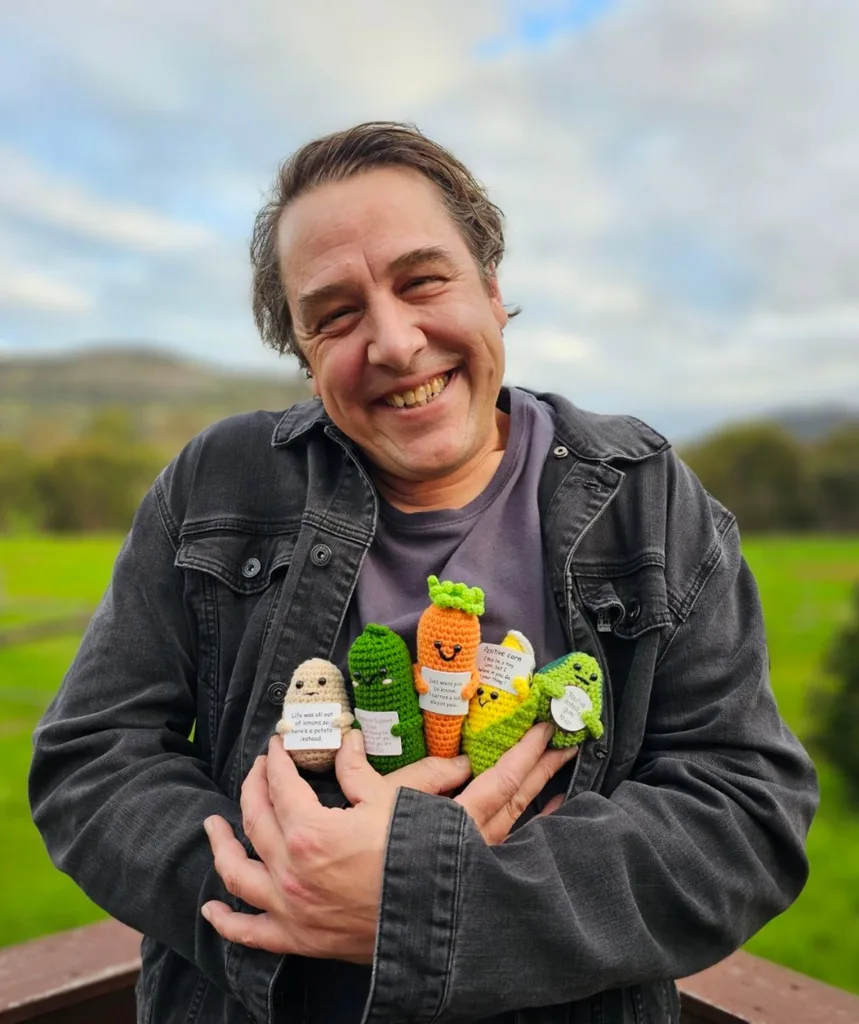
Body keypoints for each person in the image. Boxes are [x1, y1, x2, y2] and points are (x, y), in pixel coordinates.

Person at [29, 122, 818, 1024]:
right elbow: (90, 758)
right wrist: (280, 891)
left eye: (422, 281)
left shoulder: (646, 500)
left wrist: (419, 903)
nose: (396, 343)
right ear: (303, 350)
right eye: (335, 314)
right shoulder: (217, 481)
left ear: (490, 289)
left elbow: (744, 814)